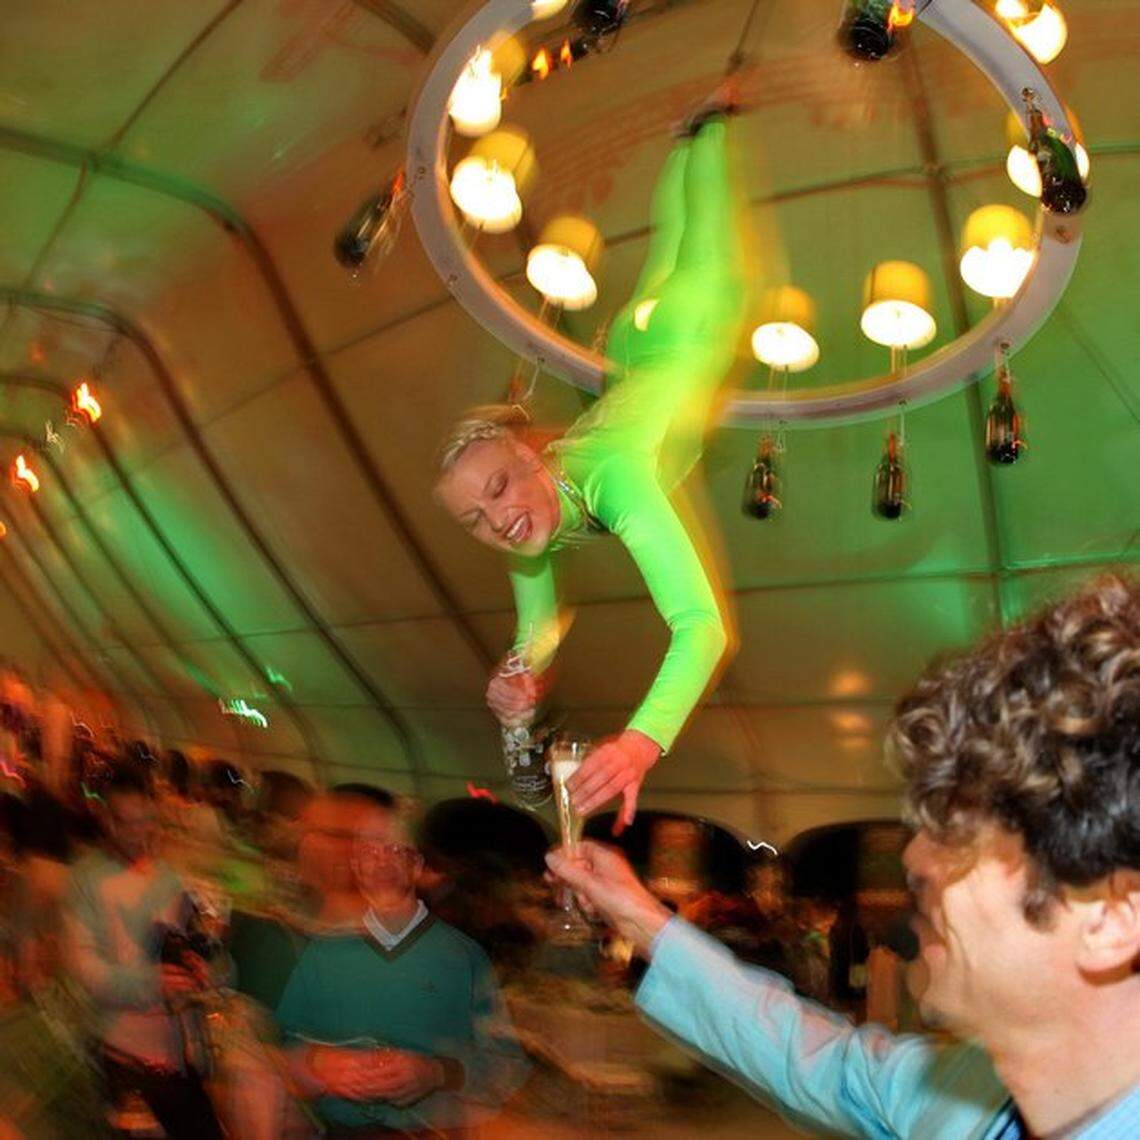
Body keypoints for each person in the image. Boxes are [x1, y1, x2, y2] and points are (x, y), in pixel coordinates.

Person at [549, 575, 1140, 1138]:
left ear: (1110, 920)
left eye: (961, 829)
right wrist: (638, 918)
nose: (916, 859)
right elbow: (816, 1059)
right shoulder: (969, 1097)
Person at [435, 96, 749, 832]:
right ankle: (687, 132)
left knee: (702, 231)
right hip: (633, 354)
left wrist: (643, 741)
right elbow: (539, 627)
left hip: (689, 328)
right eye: (475, 518)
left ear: (532, 456)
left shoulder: (617, 478)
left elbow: (702, 626)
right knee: (671, 243)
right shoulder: (525, 532)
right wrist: (516, 681)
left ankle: (708, 132)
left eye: (501, 489)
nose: (500, 521)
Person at [275, 793, 530, 1137]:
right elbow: (282, 1047)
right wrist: (317, 1063)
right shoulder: (324, 952)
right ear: (355, 866)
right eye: (368, 851)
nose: (381, 862)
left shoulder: (462, 957)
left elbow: (505, 1064)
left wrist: (437, 1073)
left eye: (395, 850)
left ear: (418, 866)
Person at [64, 767, 225, 1140]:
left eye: (147, 822)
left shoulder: (169, 877)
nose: (139, 833)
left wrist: (206, 966)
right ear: (106, 820)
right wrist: (152, 983)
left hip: (180, 1056)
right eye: (127, 823)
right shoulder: (85, 880)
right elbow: (86, 971)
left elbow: (195, 953)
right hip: (123, 1057)